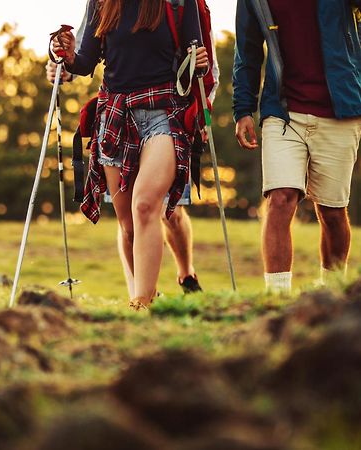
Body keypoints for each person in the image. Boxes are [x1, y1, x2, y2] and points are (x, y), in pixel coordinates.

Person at [52, 0, 209, 309]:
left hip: (163, 111)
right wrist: (68, 55)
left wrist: (198, 62)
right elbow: (85, 63)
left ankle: (140, 303)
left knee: (145, 204)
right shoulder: (101, 2)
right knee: (127, 225)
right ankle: (147, 300)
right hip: (115, 113)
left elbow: (195, 58)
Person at [233, 0, 361, 293]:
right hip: (283, 111)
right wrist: (242, 110)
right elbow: (247, 52)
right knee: (280, 199)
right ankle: (276, 297)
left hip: (340, 110)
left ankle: (332, 293)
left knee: (332, 211)